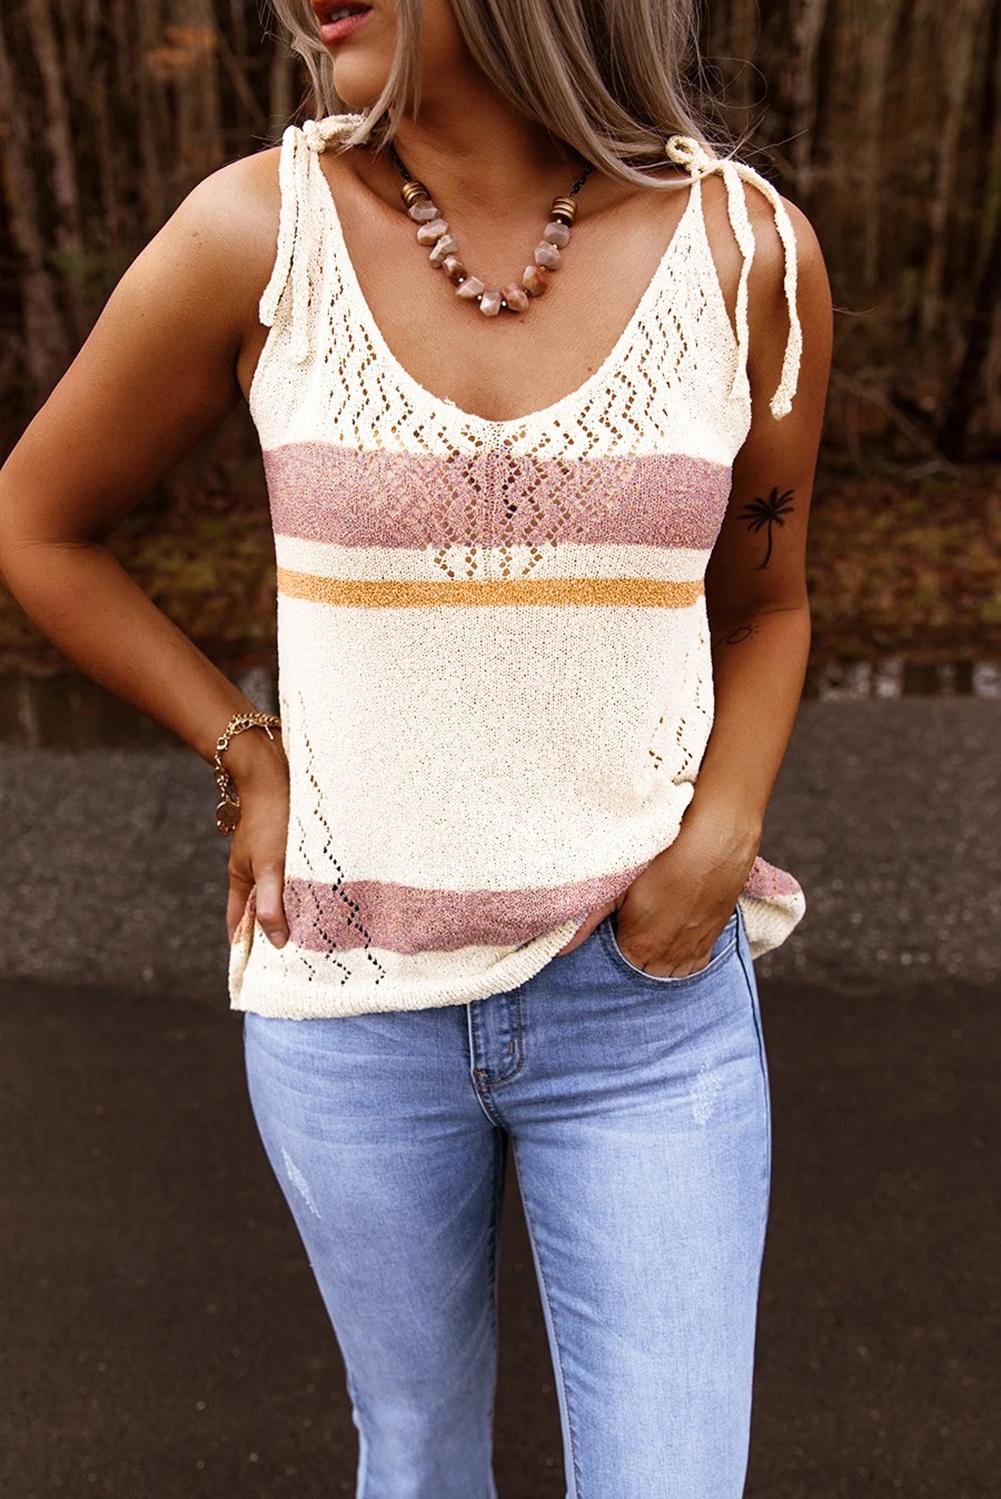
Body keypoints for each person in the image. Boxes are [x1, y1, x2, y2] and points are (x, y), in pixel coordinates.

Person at [0, 0, 833, 1493]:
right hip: (349, 1016)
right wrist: (244, 747)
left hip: (644, 1013)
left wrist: (721, 835)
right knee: (421, 1460)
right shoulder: (259, 234)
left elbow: (768, 606)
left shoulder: (746, 252)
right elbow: (36, 524)